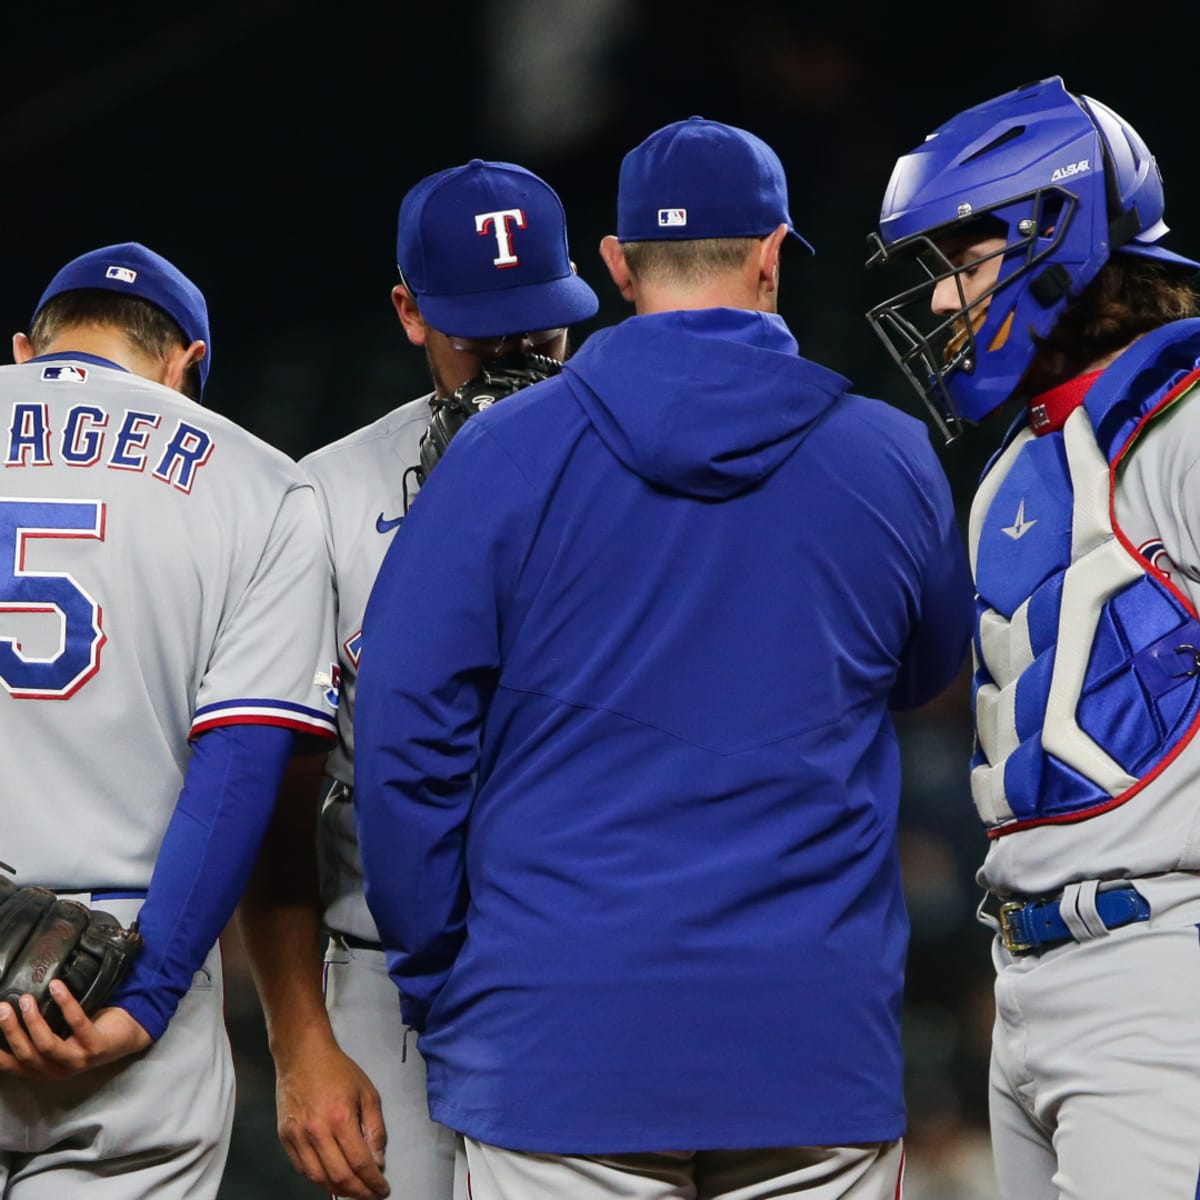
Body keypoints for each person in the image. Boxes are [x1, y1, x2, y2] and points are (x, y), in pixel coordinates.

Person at [353, 115, 974, 1200]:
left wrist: (447, 970)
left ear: (615, 266)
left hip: (555, 1033)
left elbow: (402, 747)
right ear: (774, 255)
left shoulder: (501, 452)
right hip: (809, 1039)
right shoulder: (890, 453)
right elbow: (928, 676)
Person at [236, 158, 599, 1200]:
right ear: (409, 313)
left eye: (542, 331)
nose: (519, 360)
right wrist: (302, 1042)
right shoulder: (328, 494)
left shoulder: (646, 462)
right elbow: (279, 788)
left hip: (593, 962)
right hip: (382, 982)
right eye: (485, 336)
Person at [866, 75, 1200, 1198]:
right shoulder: (1018, 458)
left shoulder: (1189, 416)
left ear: (1051, 236)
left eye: (963, 261)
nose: (942, 302)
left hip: (1165, 963)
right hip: (1028, 974)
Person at [0, 242, 338, 1197]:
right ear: (188, 365)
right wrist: (141, 1007)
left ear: (29, 348)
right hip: (117, 964)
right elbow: (239, 768)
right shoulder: (262, 485)